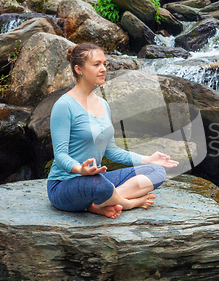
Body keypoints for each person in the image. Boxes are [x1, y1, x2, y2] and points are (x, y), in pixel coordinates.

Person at [46, 42, 179, 219]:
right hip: (65, 185)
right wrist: (81, 170)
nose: (103, 69)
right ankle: (128, 203)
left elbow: (111, 150)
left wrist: (149, 159)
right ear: (79, 69)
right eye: (96, 64)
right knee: (98, 184)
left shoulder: (103, 104)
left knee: (156, 172)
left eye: (104, 64)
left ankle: (101, 202)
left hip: (96, 180)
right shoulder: (64, 105)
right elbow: (61, 156)